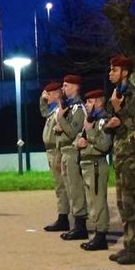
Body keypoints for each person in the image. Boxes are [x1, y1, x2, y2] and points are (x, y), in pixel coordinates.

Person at [104, 55, 135, 264]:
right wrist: (110, 121)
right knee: (122, 203)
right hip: (120, 153)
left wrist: (119, 110)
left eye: (114, 69)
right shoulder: (116, 94)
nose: (110, 73)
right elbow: (106, 119)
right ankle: (130, 244)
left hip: (131, 154)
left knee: (132, 203)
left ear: (125, 72)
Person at [74, 89, 111, 251]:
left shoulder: (103, 120)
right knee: (92, 202)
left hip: (96, 164)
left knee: (98, 202)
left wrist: (88, 133)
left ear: (99, 102)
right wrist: (78, 143)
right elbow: (79, 136)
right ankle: (97, 233)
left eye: (89, 102)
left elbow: (104, 145)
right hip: (87, 164)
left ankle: (101, 235)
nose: (87, 105)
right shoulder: (91, 120)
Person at [55, 75, 89, 240]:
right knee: (69, 188)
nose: (63, 88)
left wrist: (61, 119)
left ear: (76, 87)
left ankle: (80, 226)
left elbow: (74, 132)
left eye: (67, 85)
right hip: (65, 151)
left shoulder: (79, 108)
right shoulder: (70, 107)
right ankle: (76, 224)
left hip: (73, 151)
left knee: (76, 188)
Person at [40, 82, 71, 231]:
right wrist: (42, 100)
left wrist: (59, 154)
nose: (47, 96)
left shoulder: (61, 110)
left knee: (62, 186)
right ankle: (63, 216)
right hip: (52, 151)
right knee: (60, 186)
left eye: (49, 93)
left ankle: (64, 218)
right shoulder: (54, 110)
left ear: (57, 94)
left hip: (57, 151)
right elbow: (44, 112)